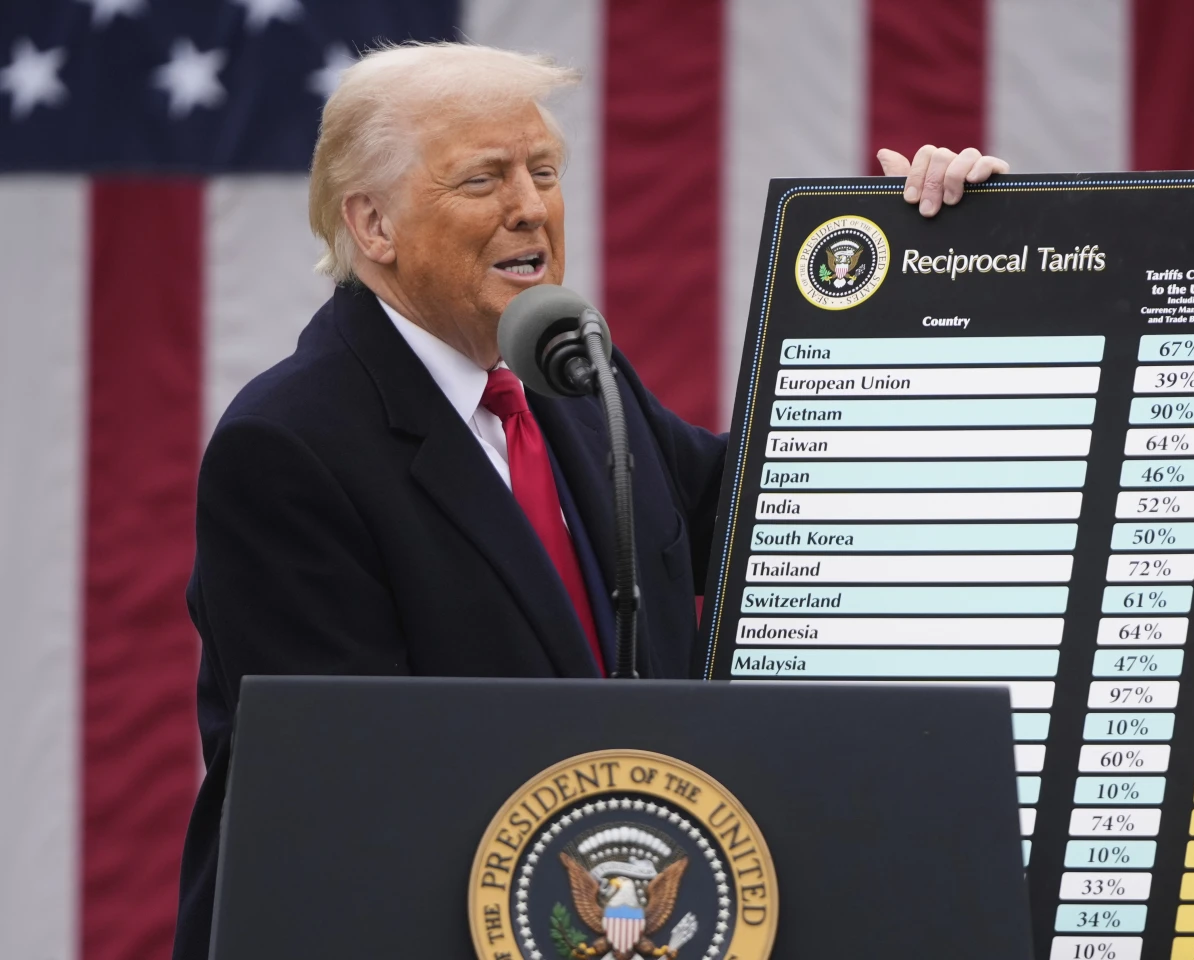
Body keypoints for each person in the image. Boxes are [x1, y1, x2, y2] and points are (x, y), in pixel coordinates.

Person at [172, 40, 1009, 960]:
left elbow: (771, 507)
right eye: (485, 179)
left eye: (543, 171)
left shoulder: (573, 372)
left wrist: (941, 274)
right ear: (373, 225)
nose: (531, 206)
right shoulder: (288, 446)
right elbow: (349, 783)